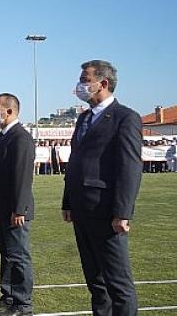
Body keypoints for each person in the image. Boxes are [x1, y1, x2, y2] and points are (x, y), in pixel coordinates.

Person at [63, 60, 142, 316]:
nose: (80, 85)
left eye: (85, 80)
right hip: (82, 209)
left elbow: (129, 167)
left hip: (106, 212)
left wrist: (123, 212)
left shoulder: (125, 118)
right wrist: (68, 201)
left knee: (118, 284)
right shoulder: (84, 118)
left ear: (103, 84)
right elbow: (75, 162)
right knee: (96, 283)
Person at [0, 93, 36, 316]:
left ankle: (22, 303)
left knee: (18, 256)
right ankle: (8, 295)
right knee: (6, 254)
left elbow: (23, 176)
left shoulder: (20, 138)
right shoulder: (1, 137)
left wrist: (19, 208)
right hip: (0, 207)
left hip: (15, 210)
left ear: (9, 111)